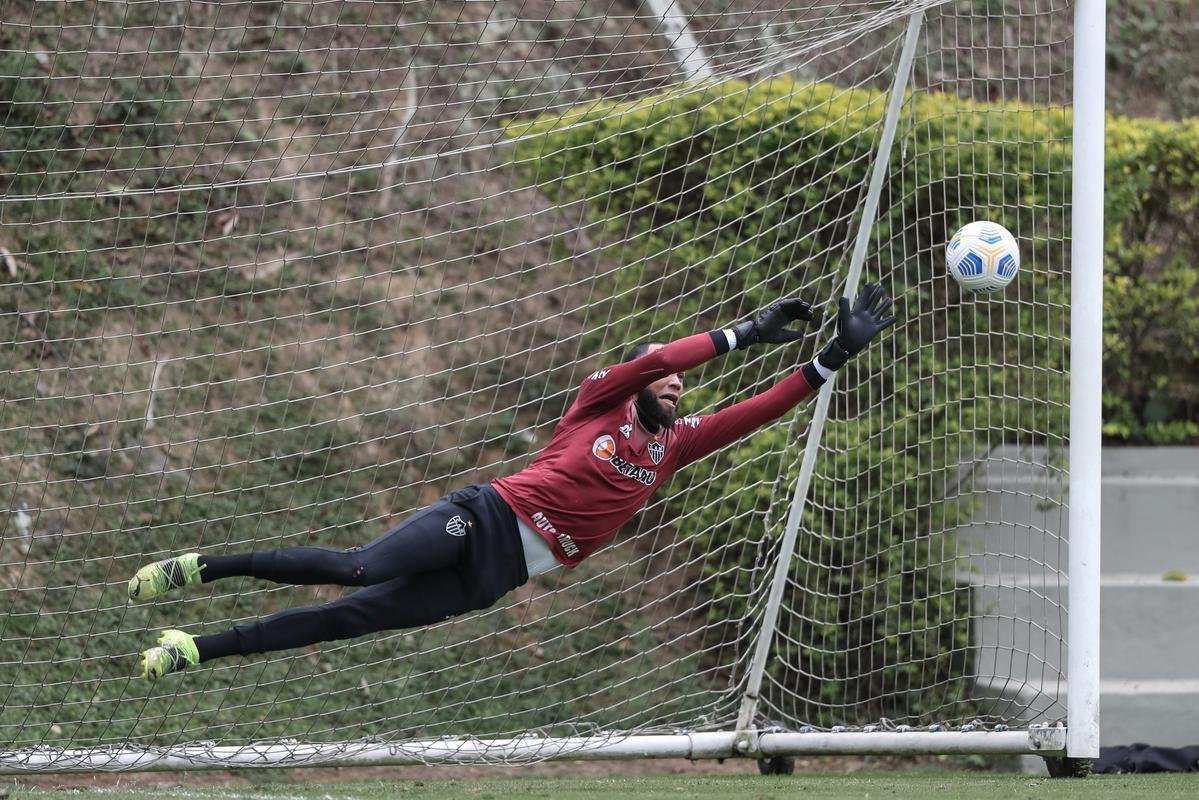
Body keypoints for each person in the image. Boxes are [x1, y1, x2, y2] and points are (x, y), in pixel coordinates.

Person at [130, 284, 896, 680]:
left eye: (680, 389)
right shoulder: (601, 400)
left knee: (351, 619)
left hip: (499, 575)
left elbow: (760, 409)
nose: (675, 392)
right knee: (355, 568)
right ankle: (199, 566)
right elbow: (656, 358)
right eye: (665, 383)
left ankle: (194, 648)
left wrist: (833, 356)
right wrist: (745, 333)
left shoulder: (674, 447)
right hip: (485, 517)